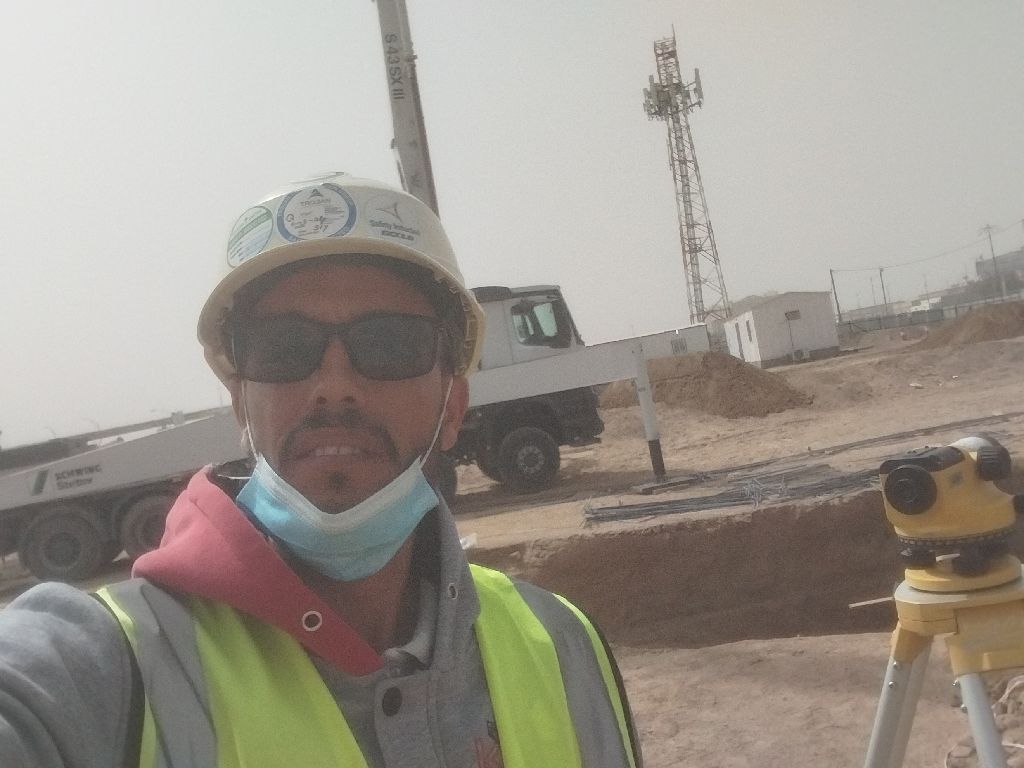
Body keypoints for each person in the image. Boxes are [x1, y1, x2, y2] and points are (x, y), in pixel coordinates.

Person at [0, 173, 642, 768]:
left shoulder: (563, 645)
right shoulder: (106, 667)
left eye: (389, 344)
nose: (335, 385)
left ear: (452, 408)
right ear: (240, 405)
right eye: (285, 347)